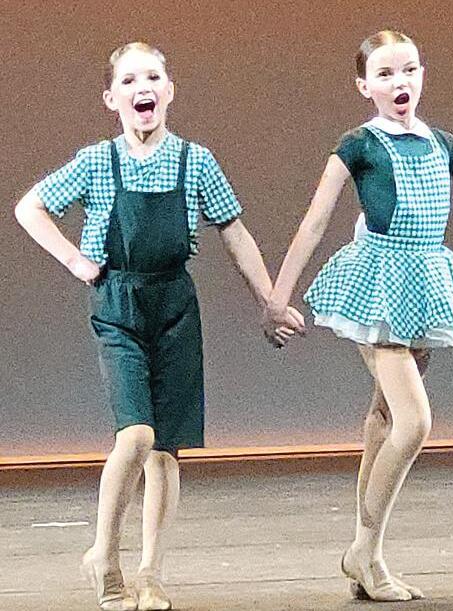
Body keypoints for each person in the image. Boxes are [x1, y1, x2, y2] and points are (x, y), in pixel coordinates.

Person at [263, 30, 453, 601]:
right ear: (364, 87)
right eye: (384, 74)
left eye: (408, 69)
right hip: (376, 285)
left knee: (383, 419)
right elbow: (314, 220)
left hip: (425, 282)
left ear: (423, 73)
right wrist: (278, 298)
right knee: (414, 422)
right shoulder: (359, 145)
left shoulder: (444, 144)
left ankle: (367, 555)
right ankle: (363, 551)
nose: (399, 82)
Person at [14, 42, 302, 610]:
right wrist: (74, 259)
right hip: (118, 303)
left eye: (152, 77)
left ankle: (150, 572)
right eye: (128, 80)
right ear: (111, 98)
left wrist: (270, 302)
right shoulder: (97, 161)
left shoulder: (196, 161)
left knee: (166, 451)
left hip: (174, 305)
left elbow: (235, 233)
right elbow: (30, 207)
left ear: (169, 91)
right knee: (136, 435)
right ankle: (103, 554)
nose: (141, 88)